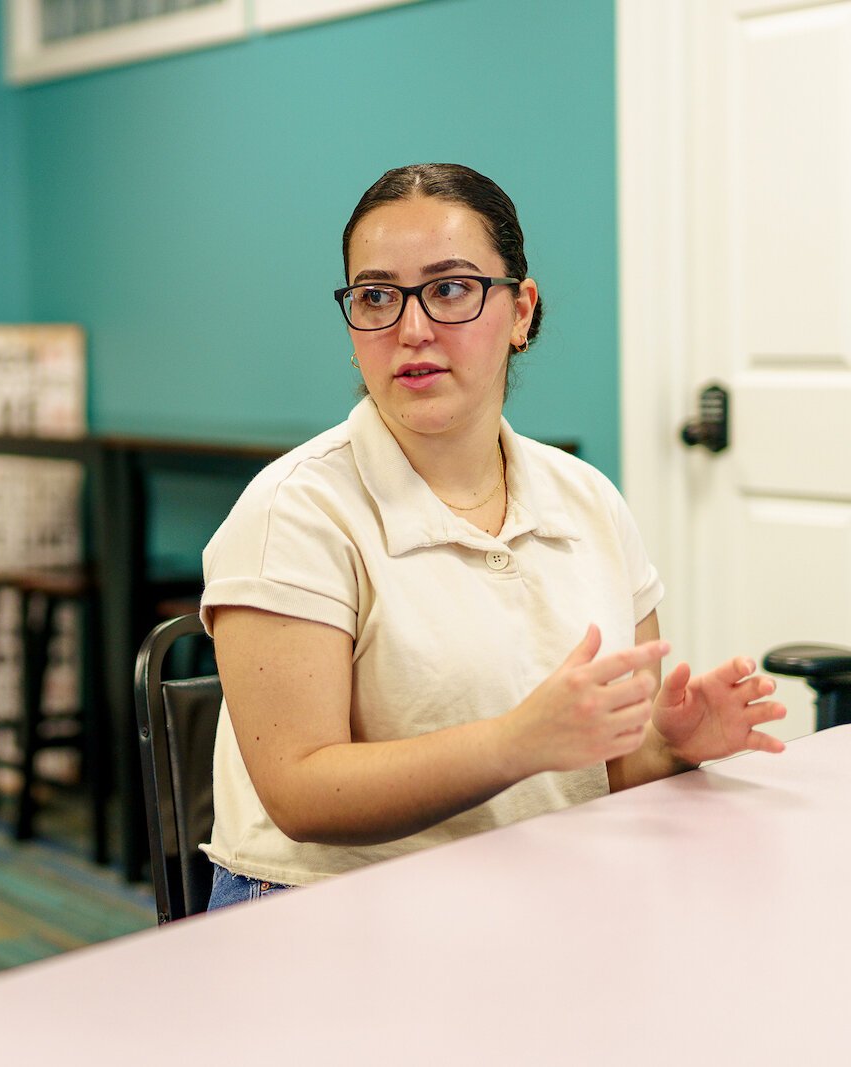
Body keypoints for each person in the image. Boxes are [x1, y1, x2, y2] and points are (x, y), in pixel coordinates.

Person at [199, 162, 787, 909]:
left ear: (521, 312)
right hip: (329, 912)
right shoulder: (294, 511)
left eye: (450, 288)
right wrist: (515, 741)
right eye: (376, 296)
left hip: (540, 886)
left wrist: (672, 745)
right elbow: (301, 791)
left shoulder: (588, 501)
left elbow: (609, 763)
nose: (412, 329)